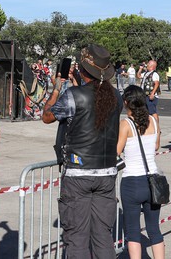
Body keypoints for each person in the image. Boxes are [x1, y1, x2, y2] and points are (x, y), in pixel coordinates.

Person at [43, 44, 123, 259]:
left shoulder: (73, 95)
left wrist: (57, 88)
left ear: (83, 69)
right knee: (103, 236)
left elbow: (47, 116)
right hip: (106, 173)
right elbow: (94, 102)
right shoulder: (116, 96)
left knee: (77, 237)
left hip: (78, 174)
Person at [116, 86, 166, 259]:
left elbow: (117, 150)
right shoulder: (153, 120)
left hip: (132, 182)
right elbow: (156, 145)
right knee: (154, 229)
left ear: (127, 103)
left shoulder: (126, 124)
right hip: (152, 180)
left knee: (133, 231)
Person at [139, 60, 161, 147]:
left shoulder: (154, 74)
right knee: (146, 111)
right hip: (144, 95)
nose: (147, 65)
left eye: (148, 64)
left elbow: (156, 84)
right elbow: (138, 76)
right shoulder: (145, 73)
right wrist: (140, 69)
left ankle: (157, 126)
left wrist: (152, 93)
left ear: (152, 66)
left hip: (150, 96)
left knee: (152, 111)